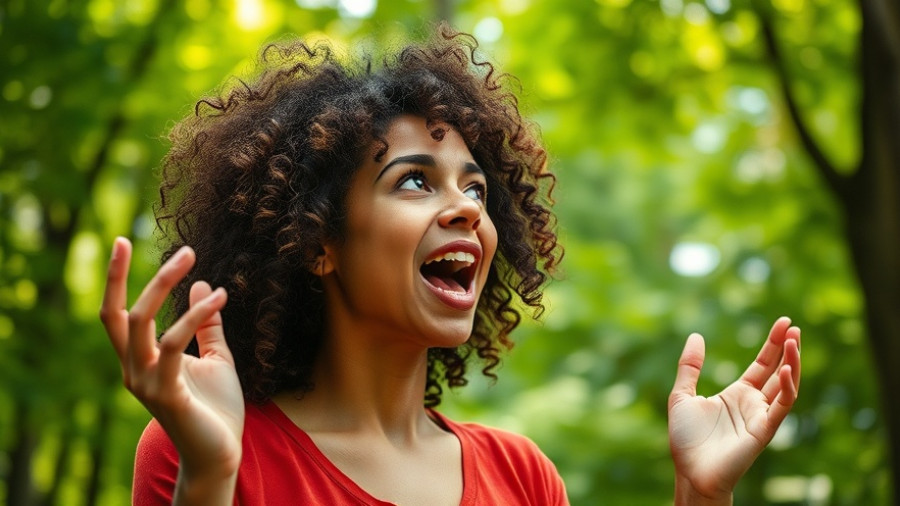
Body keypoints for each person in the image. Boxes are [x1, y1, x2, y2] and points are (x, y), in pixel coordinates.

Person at [100, 26, 801, 505]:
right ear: (318, 242)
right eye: (414, 181)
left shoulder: (523, 476)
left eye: (476, 188)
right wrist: (210, 478)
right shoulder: (206, 444)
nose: (467, 208)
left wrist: (702, 498)